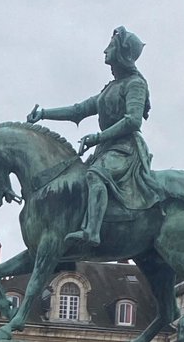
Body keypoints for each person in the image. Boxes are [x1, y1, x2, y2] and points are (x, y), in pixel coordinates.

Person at [28, 25, 163, 248]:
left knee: (94, 175)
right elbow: (78, 110)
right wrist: (43, 114)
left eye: (110, 47)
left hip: (126, 150)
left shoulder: (135, 84)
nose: (105, 51)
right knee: (79, 178)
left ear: (122, 52)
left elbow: (133, 121)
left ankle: (92, 232)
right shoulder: (110, 88)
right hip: (107, 149)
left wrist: (99, 137)